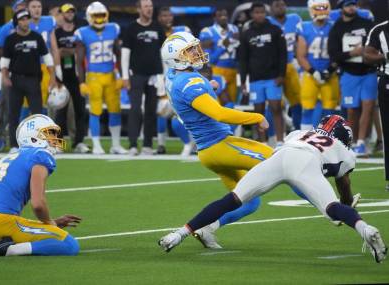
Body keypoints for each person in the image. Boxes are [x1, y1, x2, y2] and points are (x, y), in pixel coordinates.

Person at [158, 115, 388, 264]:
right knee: (332, 208)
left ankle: (178, 234)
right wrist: (346, 210)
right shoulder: (345, 152)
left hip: (281, 157)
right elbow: (344, 185)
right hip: (306, 163)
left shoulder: (299, 132)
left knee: (234, 199)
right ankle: (366, 230)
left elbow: (287, 147)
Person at [160, 31, 307, 249]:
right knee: (284, 161)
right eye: (189, 51)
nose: (195, 53)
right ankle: (332, 206)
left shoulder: (173, 77)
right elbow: (220, 114)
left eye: (193, 48)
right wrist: (256, 117)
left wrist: (209, 85)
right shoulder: (188, 82)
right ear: (175, 58)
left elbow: (189, 95)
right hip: (220, 144)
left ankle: (207, 228)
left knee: (249, 202)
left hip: (208, 153)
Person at [0, 114, 81, 256]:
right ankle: (9, 249)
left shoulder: (10, 156)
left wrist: (53, 223)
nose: (54, 139)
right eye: (49, 134)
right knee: (69, 244)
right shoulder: (40, 155)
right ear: (33, 138)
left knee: (18, 224)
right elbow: (38, 204)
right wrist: (50, 223)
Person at [75, 2, 127, 155]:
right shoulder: (82, 33)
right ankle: (96, 144)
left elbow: (118, 54)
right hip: (93, 76)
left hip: (110, 75)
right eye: (95, 16)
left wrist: (121, 75)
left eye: (101, 15)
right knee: (95, 110)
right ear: (89, 17)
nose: (99, 19)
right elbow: (79, 60)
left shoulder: (113, 29)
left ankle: (115, 144)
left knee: (115, 110)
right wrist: (82, 82)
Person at [0, 9, 56, 152]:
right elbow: (4, 62)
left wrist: (53, 78)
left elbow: (48, 58)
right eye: (22, 19)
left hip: (33, 79)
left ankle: (43, 143)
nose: (25, 22)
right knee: (14, 114)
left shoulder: (37, 37)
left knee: (38, 113)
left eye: (27, 19)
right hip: (16, 79)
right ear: (16, 22)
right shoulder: (10, 39)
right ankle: (14, 145)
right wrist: (5, 77)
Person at [328, 0, 376, 157]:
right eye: (348, 5)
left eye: (354, 4)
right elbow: (333, 55)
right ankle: (352, 141)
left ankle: (362, 142)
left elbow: (376, 44)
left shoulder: (366, 23)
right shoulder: (337, 28)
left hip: (368, 71)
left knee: (368, 106)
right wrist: (351, 53)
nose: (352, 7)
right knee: (352, 110)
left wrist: (368, 53)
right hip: (349, 73)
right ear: (341, 8)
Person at [121, 0, 166, 155]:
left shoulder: (158, 28)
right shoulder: (131, 28)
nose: (149, 9)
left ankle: (147, 145)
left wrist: (164, 75)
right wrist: (125, 76)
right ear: (139, 9)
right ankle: (133, 145)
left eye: (151, 6)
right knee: (135, 110)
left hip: (155, 75)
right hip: (136, 75)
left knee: (151, 110)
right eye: (146, 6)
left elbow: (163, 53)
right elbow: (125, 53)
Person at [239, 2, 287, 145]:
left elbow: (282, 54)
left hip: (273, 78)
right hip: (255, 79)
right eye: (256, 12)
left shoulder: (275, 30)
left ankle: (280, 141)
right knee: (258, 112)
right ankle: (263, 142)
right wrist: (243, 81)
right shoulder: (247, 34)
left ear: (265, 13)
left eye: (262, 12)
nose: (259, 15)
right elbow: (243, 59)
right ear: (252, 14)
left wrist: (281, 75)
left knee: (276, 108)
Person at [297, 0, 339, 130]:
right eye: (318, 8)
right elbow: (301, 56)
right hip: (310, 75)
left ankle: (328, 141)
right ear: (311, 9)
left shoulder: (334, 26)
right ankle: (305, 140)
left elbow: (340, 52)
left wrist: (330, 69)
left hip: (330, 74)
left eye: (323, 7)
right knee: (307, 108)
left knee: (329, 111)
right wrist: (313, 71)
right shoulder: (304, 27)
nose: (321, 11)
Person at [53, 3, 89, 154]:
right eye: (67, 12)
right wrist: (73, 51)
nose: (70, 14)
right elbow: (56, 52)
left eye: (72, 12)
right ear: (61, 14)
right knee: (60, 110)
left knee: (81, 110)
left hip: (78, 76)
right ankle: (58, 143)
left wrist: (66, 50)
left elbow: (83, 51)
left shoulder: (80, 31)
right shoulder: (56, 32)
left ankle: (79, 142)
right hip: (62, 75)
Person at [0, 0, 27, 152]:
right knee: (5, 104)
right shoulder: (7, 28)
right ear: (13, 10)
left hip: (26, 72)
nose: (22, 10)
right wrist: (9, 59)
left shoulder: (29, 27)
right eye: (19, 7)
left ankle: (24, 138)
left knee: (25, 106)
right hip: (10, 71)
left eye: (23, 8)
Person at [156, 6, 191, 154]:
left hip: (179, 75)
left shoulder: (182, 30)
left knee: (183, 113)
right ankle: (161, 144)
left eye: (169, 15)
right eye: (164, 16)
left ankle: (191, 143)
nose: (167, 19)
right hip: (161, 76)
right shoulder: (154, 32)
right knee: (161, 112)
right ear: (159, 18)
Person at [268, 0, 302, 130]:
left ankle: (298, 130)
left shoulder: (295, 19)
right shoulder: (267, 22)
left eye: (282, 5)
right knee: (274, 102)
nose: (280, 8)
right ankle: (274, 135)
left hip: (292, 64)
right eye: (276, 5)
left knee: (297, 100)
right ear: (271, 8)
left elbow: (301, 40)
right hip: (274, 68)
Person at [364, 20, 389, 190]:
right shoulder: (380, 29)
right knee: (388, 129)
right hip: (387, 80)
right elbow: (367, 55)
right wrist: (384, 56)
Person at [199, 8, 239, 105]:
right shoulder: (208, 32)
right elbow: (209, 59)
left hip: (233, 70)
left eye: (225, 15)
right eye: (220, 15)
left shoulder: (234, 29)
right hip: (217, 70)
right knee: (218, 103)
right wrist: (223, 47)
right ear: (214, 17)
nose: (223, 17)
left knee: (232, 104)